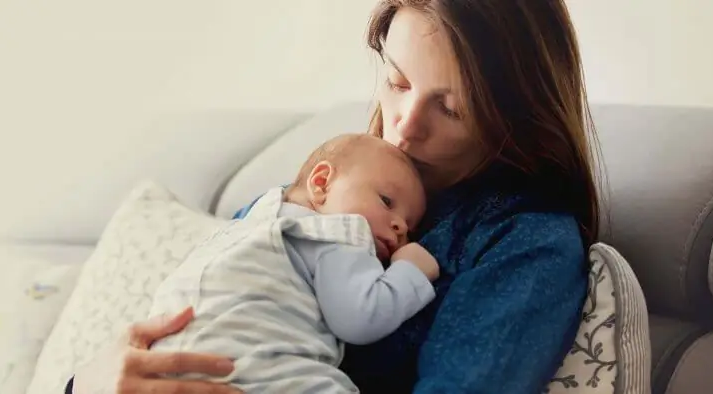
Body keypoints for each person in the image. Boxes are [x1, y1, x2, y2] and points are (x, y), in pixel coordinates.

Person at [66, 0, 602, 393]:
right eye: (396, 82)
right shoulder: (303, 201)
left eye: (452, 108)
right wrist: (86, 383)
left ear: (517, 117)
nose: (404, 129)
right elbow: (196, 315)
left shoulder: (522, 241)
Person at [146, 134, 439, 393]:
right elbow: (360, 318)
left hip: (166, 367)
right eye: (387, 201)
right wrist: (411, 271)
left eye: (410, 227)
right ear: (321, 183)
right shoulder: (337, 233)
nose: (400, 225)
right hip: (257, 371)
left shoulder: (250, 222)